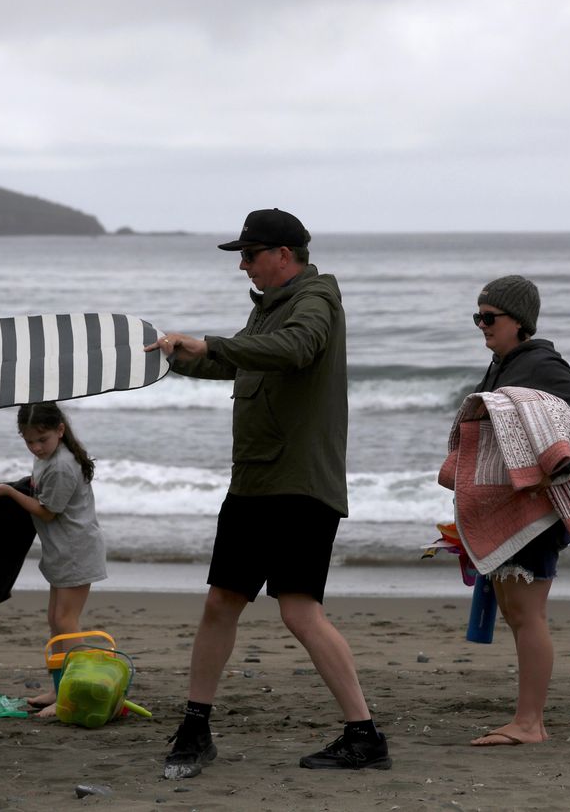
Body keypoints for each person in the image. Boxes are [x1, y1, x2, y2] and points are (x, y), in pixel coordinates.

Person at [146, 208, 390, 777]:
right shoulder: (271, 309)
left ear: (284, 254)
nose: (243, 266)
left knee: (300, 612)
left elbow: (295, 350)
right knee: (220, 602)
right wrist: (176, 360)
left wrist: (208, 343)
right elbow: (245, 364)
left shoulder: (313, 301)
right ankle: (196, 726)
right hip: (255, 481)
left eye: (250, 255)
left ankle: (364, 734)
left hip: (300, 484)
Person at [465, 275, 570, 747]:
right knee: (515, 610)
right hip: (516, 509)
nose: (482, 326)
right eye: (477, 317)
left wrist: (559, 467)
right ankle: (527, 718)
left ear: (519, 322)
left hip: (537, 515)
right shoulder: (504, 363)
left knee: (527, 615)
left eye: (490, 318)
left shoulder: (539, 361)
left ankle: (530, 723)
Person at [0, 401, 107, 718]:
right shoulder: (48, 459)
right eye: (29, 441)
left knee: (67, 623)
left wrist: (13, 494)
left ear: (60, 430)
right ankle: (59, 686)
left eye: (42, 440)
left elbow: (47, 511)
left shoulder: (62, 465)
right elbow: (41, 491)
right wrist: (22, 487)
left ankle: (72, 693)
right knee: (56, 620)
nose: (36, 447)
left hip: (76, 550)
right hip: (61, 549)